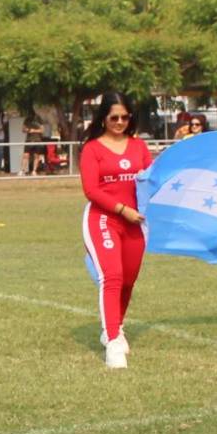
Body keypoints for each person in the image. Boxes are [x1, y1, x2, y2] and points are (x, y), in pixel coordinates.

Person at [80, 91, 154, 370]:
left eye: (125, 117)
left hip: (135, 223)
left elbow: (151, 179)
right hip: (103, 219)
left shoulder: (139, 147)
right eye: (114, 117)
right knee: (112, 276)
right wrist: (122, 209)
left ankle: (116, 326)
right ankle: (112, 341)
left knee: (128, 280)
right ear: (103, 118)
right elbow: (91, 190)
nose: (120, 122)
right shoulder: (92, 149)